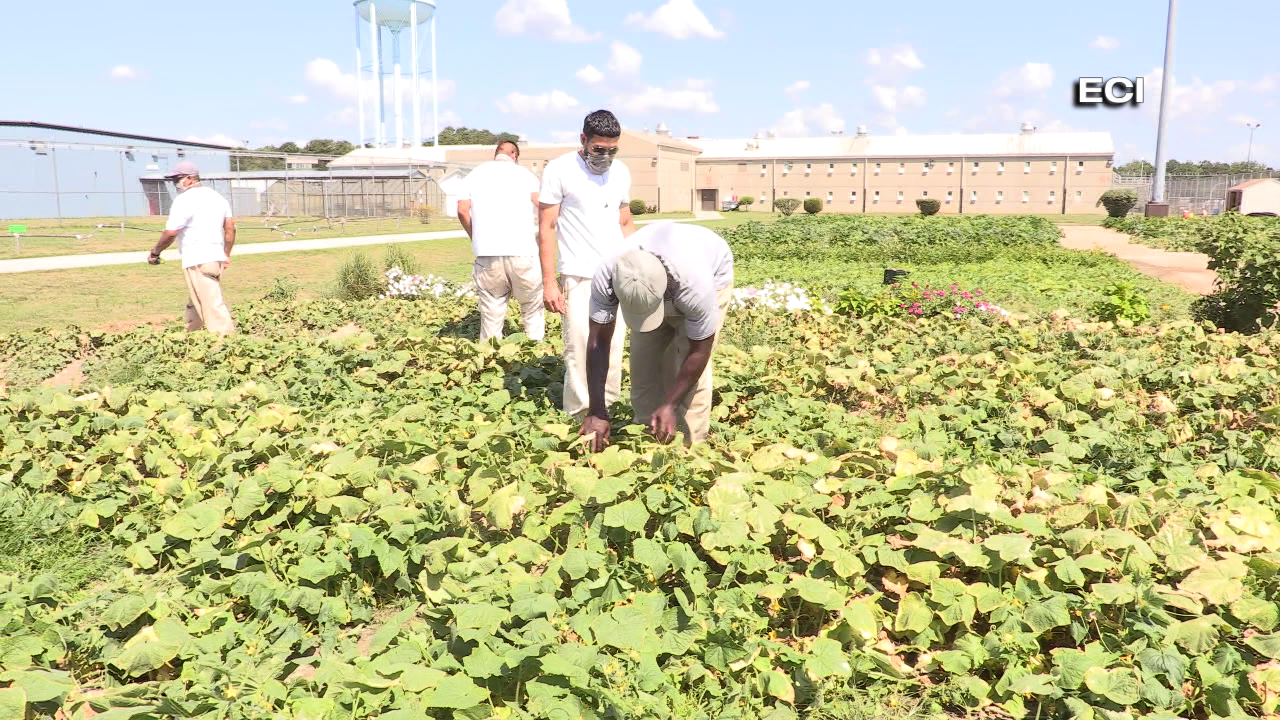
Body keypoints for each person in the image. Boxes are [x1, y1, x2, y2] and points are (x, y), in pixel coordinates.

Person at [578, 221, 735, 452]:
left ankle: (690, 450)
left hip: (711, 273)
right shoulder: (608, 274)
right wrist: (596, 411)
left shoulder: (696, 286)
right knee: (644, 368)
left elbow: (699, 351)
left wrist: (670, 403)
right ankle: (648, 440)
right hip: (661, 278)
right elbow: (598, 342)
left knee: (693, 385)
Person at [537, 109, 638, 421]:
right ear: (583, 140)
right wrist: (550, 282)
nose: (605, 156)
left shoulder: (621, 172)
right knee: (581, 348)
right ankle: (581, 414)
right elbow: (547, 227)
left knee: (614, 347)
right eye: (598, 149)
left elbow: (625, 220)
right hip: (579, 274)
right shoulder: (559, 170)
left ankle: (607, 409)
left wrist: (637, 266)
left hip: (617, 275)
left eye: (612, 150)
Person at [456, 139, 544, 342]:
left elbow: (462, 210)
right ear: (515, 155)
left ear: (496, 154)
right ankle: (536, 352)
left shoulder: (474, 174)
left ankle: (491, 354)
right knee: (532, 308)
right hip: (523, 251)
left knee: (491, 311)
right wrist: (540, 236)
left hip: (487, 253)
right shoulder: (524, 175)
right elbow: (543, 206)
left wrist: (475, 235)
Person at [147, 161, 237, 335]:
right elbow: (230, 228)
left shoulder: (184, 200)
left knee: (212, 306)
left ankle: (228, 347)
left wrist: (155, 252)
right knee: (196, 301)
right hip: (215, 258)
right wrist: (226, 254)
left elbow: (171, 232)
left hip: (198, 259)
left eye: (177, 179)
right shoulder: (218, 198)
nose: (175, 183)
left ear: (189, 178)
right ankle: (191, 335)